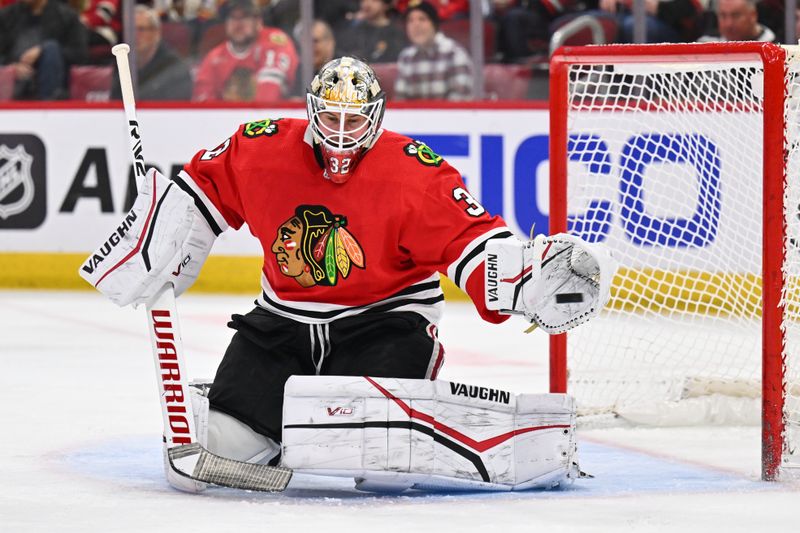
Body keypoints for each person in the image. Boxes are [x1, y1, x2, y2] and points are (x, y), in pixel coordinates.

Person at [80, 56, 612, 492]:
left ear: (375, 117)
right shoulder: (260, 148)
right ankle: (282, 415)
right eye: (329, 118)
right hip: (281, 324)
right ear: (310, 111)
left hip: (382, 322)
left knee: (383, 471)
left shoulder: (411, 169)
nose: (339, 133)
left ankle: (388, 414)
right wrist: (165, 236)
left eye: (353, 120)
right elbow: (203, 189)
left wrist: (520, 279)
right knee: (223, 450)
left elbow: (469, 239)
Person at [193, 0, 298, 102]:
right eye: (232, 17)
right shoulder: (214, 57)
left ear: (258, 21)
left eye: (245, 16)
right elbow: (202, 103)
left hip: (272, 117)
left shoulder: (273, 42)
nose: (238, 23)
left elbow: (267, 99)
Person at [0, 0, 88, 100]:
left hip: (55, 85)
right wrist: (12, 69)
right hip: (12, 86)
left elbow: (80, 54)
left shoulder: (67, 16)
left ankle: (48, 106)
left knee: (51, 48)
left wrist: (43, 50)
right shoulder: (6, 16)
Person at [110, 6, 193, 101]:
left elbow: (177, 109)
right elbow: (115, 102)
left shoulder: (174, 67)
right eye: (131, 30)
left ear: (156, 32)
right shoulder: (122, 63)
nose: (135, 35)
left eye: (141, 29)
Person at [395, 0, 473, 101]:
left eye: (422, 19)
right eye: (410, 21)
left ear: (434, 25)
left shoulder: (454, 54)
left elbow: (460, 103)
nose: (416, 25)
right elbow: (401, 102)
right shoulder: (406, 57)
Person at [337, 0, 406, 63]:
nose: (367, 4)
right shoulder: (353, 30)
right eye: (363, 0)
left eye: (374, 1)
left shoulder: (395, 33)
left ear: (385, 5)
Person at [697, 0, 777, 43]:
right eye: (723, 15)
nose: (729, 24)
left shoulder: (775, 50)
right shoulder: (705, 43)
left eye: (736, 16)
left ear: (753, 15)